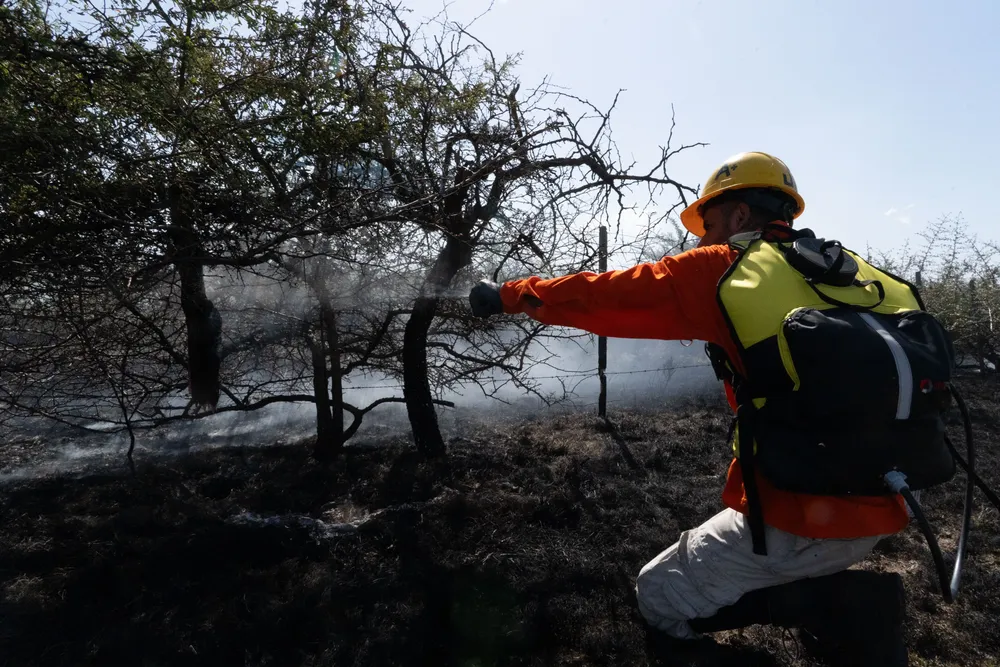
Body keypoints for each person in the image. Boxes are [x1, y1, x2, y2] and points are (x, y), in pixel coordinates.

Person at [466, 151, 948, 666]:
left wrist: (509, 295)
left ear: (739, 217)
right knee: (783, 565)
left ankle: (854, 608)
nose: (699, 238)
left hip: (796, 516)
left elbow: (603, 297)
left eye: (709, 223)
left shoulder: (724, 269)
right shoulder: (867, 276)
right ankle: (836, 601)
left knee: (657, 597)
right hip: (884, 506)